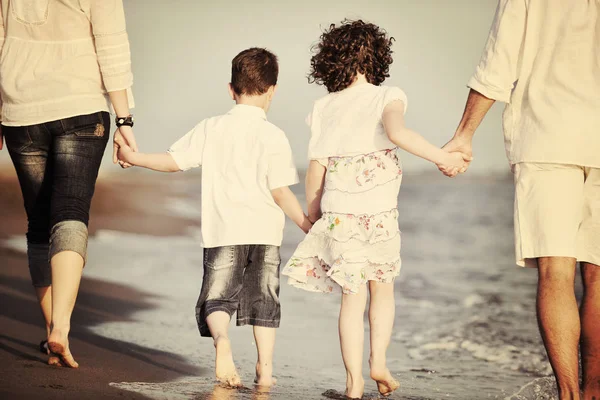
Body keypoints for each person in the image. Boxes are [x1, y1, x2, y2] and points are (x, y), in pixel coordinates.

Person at [281, 20, 470, 399]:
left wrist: (315, 215)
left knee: (352, 300)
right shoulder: (388, 96)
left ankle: (353, 383)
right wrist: (442, 158)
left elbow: (316, 169)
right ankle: (378, 360)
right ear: (377, 58)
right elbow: (399, 134)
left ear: (330, 62)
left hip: (339, 217)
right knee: (382, 291)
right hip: (381, 216)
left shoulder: (323, 108)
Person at [115, 47, 312, 387]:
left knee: (217, 298)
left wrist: (135, 157)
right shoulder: (275, 135)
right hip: (265, 234)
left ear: (231, 89)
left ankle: (222, 342)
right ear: (272, 90)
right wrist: (308, 224)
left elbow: (174, 161)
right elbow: (280, 192)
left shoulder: (212, 127)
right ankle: (265, 372)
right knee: (264, 302)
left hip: (223, 231)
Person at [441, 1, 600, 399]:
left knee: (555, 273)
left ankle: (569, 395)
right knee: (599, 276)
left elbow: (499, 61)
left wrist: (464, 134)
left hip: (548, 134)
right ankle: (595, 390)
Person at [0, 0, 137, 368]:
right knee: (71, 211)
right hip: (81, 106)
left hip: (21, 111)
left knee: (39, 222)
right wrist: (125, 120)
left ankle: (51, 331)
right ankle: (61, 328)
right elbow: (111, 44)